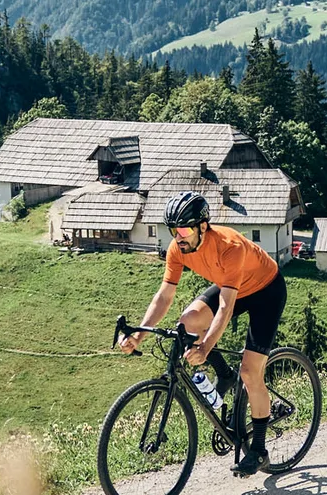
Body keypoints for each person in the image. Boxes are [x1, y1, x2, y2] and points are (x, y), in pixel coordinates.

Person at [120, 191, 288, 476]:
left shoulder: (229, 246)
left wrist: (206, 347)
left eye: (183, 229)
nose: (178, 236)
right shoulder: (177, 248)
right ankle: (223, 373)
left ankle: (258, 450)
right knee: (187, 322)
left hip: (266, 291)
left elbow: (225, 307)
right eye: (173, 230)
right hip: (231, 286)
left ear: (202, 226)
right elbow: (164, 296)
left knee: (250, 373)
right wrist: (139, 334)